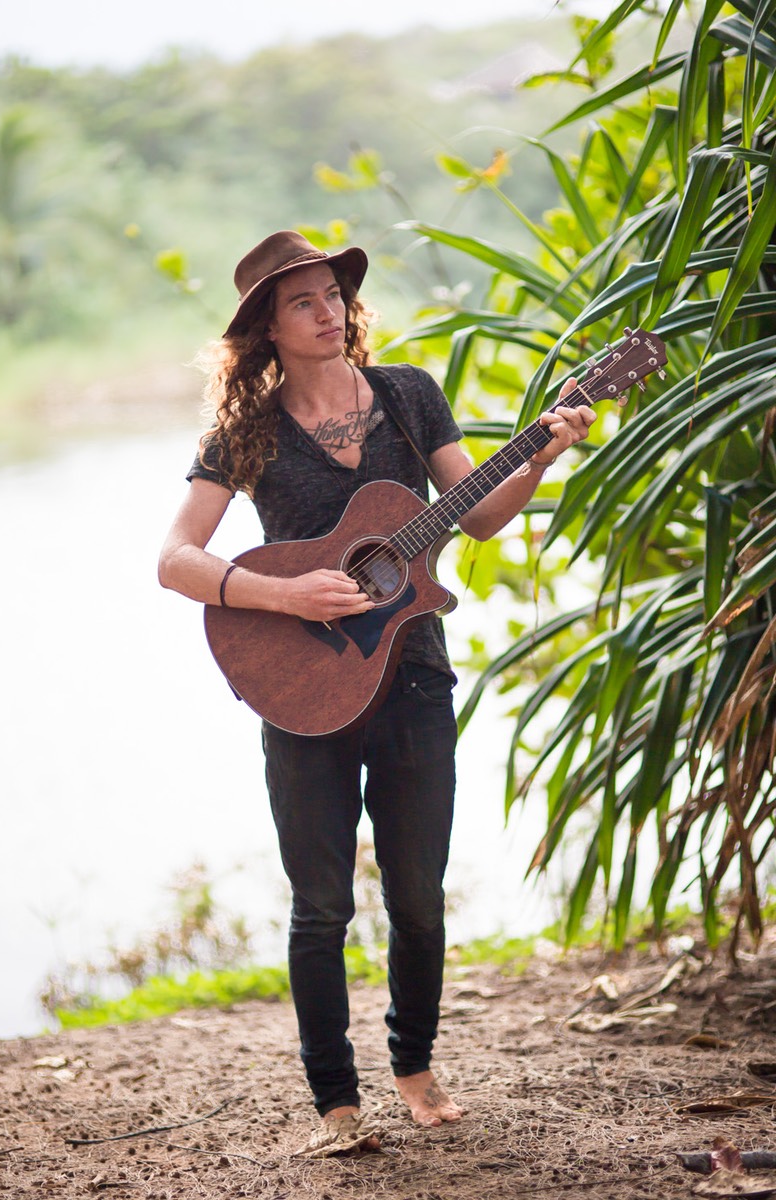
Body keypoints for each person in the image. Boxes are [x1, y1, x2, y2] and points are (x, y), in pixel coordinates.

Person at [158, 230, 597, 1150]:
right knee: (320, 905)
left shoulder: (408, 396)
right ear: (266, 329)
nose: (330, 313)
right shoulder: (246, 432)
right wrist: (283, 591)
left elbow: (473, 518)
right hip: (304, 690)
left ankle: (415, 1064)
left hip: (414, 679)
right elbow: (176, 560)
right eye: (304, 303)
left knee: (420, 896)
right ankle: (336, 1101)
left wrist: (543, 453)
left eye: (334, 296)